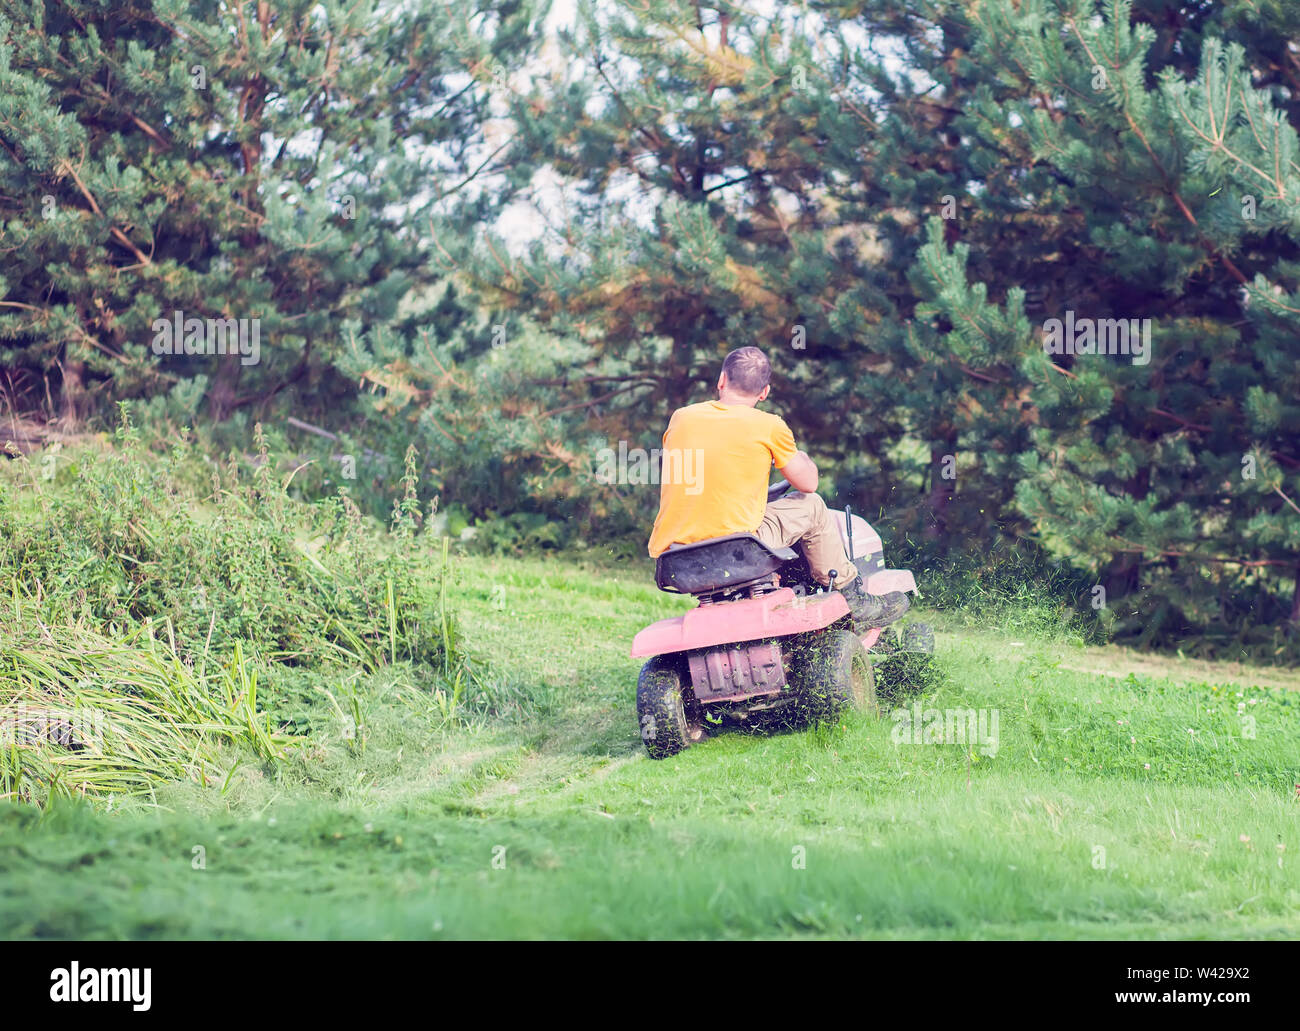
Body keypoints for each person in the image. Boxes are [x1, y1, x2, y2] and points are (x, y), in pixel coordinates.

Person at [647, 346, 907, 628]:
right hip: (737, 548)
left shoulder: (682, 417)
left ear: (721, 380)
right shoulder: (770, 426)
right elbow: (808, 484)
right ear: (764, 392)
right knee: (813, 505)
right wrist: (801, 459)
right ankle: (851, 594)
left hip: (678, 553)